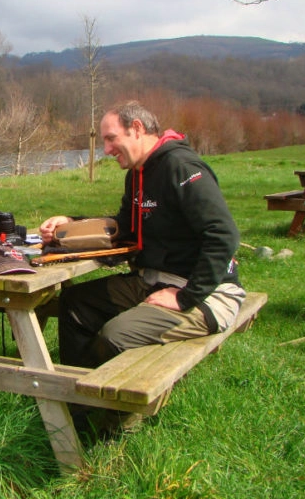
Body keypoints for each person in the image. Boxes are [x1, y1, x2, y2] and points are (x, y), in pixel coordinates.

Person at [39, 100, 245, 373]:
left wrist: (185, 298)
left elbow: (223, 234)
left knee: (116, 335)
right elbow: (125, 225)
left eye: (111, 139)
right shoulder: (137, 174)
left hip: (207, 295)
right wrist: (71, 224)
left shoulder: (181, 167)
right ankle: (76, 395)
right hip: (153, 280)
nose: (107, 150)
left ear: (136, 128)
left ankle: (95, 403)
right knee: (74, 303)